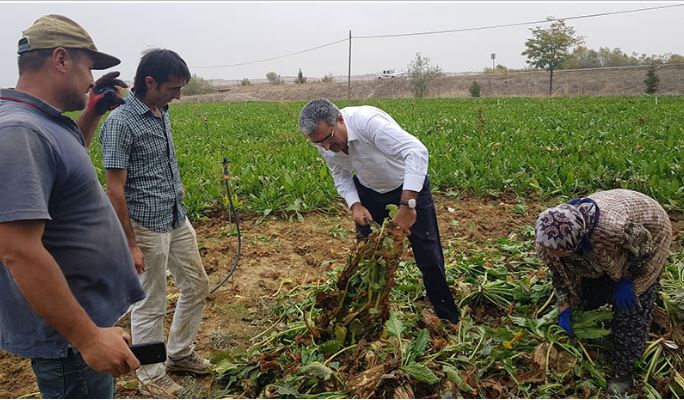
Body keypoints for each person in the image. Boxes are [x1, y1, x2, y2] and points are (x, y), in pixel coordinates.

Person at [0, 14, 145, 398]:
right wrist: (88, 338)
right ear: (61, 59)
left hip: (80, 325)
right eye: (88, 67)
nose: (90, 80)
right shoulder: (19, 132)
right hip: (69, 339)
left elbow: (59, 164)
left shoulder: (39, 122)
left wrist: (92, 111)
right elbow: (18, 250)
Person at [99, 48, 211, 397]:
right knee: (150, 300)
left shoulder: (160, 111)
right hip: (145, 225)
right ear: (150, 82)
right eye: (172, 88)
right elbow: (114, 190)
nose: (178, 95)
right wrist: (130, 244)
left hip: (175, 216)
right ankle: (150, 374)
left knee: (196, 284)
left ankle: (178, 353)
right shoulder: (120, 123)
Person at [297, 98, 460, 325]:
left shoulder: (369, 123)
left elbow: (416, 151)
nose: (325, 147)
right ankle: (368, 314)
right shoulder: (325, 142)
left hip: (408, 188)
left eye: (328, 139)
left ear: (340, 120)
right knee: (367, 256)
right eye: (318, 143)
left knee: (428, 254)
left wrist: (407, 205)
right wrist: (355, 204)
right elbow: (340, 173)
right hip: (369, 190)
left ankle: (448, 317)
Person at [535, 188, 672, 396]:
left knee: (630, 308)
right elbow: (560, 273)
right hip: (610, 237)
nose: (552, 254)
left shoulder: (612, 230)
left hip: (650, 233)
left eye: (558, 251)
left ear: (577, 242)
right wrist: (564, 307)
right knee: (588, 292)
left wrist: (628, 280)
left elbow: (645, 247)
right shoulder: (549, 239)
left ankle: (624, 371)